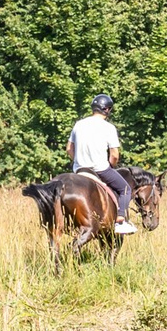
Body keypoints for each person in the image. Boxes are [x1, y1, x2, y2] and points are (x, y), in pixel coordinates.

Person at [67, 93, 138, 235]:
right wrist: (111, 166)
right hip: (100, 169)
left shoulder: (79, 124)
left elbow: (69, 149)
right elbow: (114, 155)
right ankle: (120, 221)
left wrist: (78, 161)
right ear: (107, 110)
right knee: (125, 189)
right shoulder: (109, 128)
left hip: (80, 169)